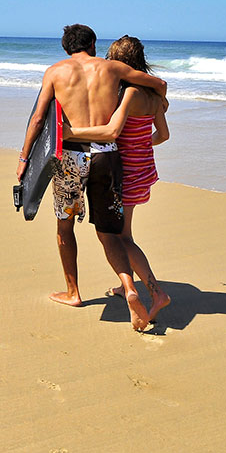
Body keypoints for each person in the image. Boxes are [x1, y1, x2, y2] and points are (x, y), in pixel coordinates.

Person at [16, 24, 166, 332]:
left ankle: (73, 293)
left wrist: (24, 158)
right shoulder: (112, 68)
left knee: (64, 226)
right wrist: (161, 103)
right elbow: (159, 83)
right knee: (110, 234)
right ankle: (129, 288)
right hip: (107, 156)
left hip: (71, 157)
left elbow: (38, 118)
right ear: (94, 43)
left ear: (65, 47)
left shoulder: (55, 72)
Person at [60, 35, 171, 322]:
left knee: (120, 237)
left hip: (127, 172)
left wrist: (70, 134)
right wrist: (141, 145)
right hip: (145, 169)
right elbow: (163, 135)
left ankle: (155, 292)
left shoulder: (128, 94)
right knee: (124, 233)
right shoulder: (154, 96)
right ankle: (127, 288)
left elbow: (110, 132)